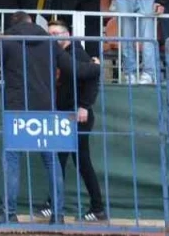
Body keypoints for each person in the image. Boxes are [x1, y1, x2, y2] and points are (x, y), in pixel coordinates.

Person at [0, 11, 91, 224]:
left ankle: (9, 212)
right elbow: (75, 69)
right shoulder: (49, 43)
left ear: (10, 25)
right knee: (51, 161)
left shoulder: (7, 42)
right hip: (45, 108)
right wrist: (95, 66)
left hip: (17, 109)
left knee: (12, 160)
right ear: (31, 22)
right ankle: (58, 215)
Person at [42, 19, 107, 222]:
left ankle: (93, 207)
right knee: (67, 160)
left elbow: (92, 79)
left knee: (75, 161)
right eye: (49, 34)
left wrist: (84, 105)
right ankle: (57, 204)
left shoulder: (78, 54)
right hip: (63, 115)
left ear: (67, 35)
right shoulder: (55, 54)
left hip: (78, 116)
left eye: (56, 34)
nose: (52, 38)